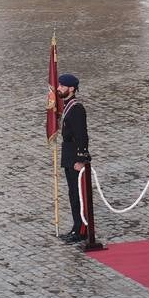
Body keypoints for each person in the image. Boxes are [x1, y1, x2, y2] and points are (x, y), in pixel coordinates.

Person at [55, 73, 90, 243]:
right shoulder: (68, 105)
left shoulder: (76, 108)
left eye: (62, 86)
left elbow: (82, 136)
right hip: (69, 154)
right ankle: (76, 227)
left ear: (71, 89)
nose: (58, 88)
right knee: (72, 194)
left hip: (75, 157)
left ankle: (82, 230)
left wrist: (81, 159)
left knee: (78, 195)